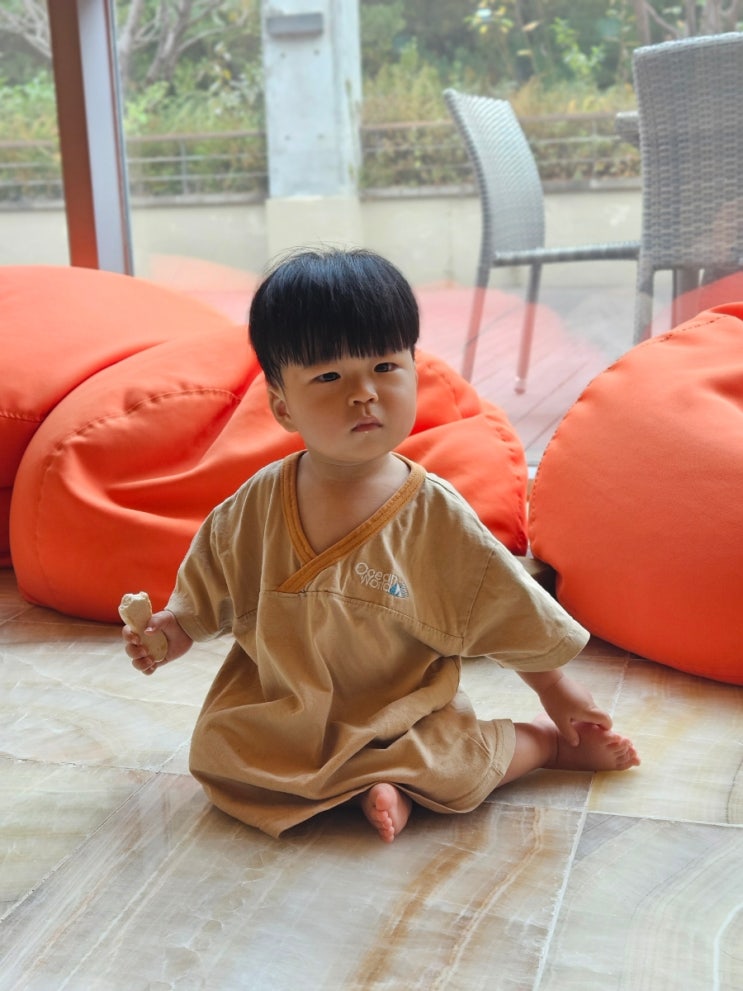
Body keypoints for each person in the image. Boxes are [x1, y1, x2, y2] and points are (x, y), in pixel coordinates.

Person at [122, 247, 639, 844]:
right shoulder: (258, 503)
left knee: (451, 759)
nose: (363, 393)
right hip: (287, 710)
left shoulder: (433, 512)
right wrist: (170, 633)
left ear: (416, 369)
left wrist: (555, 689)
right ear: (282, 405)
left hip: (403, 716)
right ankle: (385, 788)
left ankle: (542, 747)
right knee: (222, 750)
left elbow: (498, 603)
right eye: (329, 377)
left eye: (386, 366)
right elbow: (209, 584)